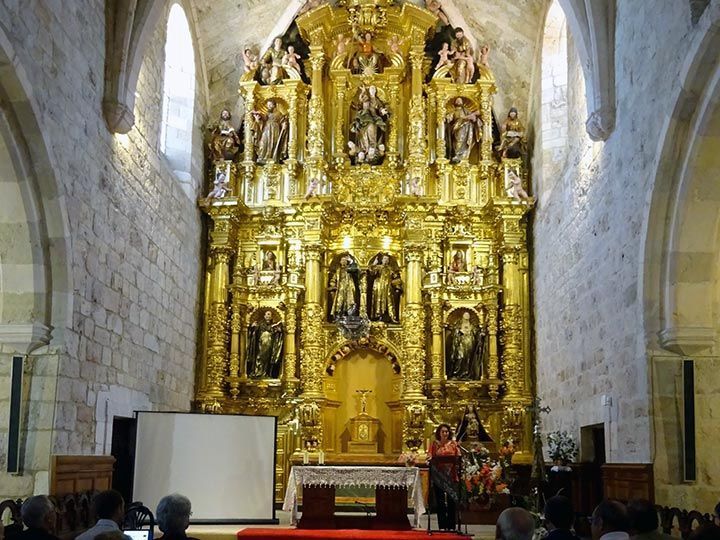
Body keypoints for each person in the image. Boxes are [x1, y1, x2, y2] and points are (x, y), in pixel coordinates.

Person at [429, 423, 460, 531]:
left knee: (452, 500)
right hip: (439, 475)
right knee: (440, 501)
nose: (445, 433)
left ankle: (451, 526)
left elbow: (458, 457)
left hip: (451, 475)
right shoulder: (435, 444)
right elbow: (431, 457)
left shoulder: (453, 444)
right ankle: (442, 526)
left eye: (446, 431)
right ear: (439, 433)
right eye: (443, 431)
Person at [247, 310, 284, 378]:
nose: (268, 316)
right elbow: (254, 332)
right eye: (267, 314)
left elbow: (277, 335)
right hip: (261, 345)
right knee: (260, 357)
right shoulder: (260, 324)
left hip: (269, 345)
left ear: (271, 316)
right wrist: (252, 327)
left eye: (269, 314)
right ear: (264, 316)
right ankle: (257, 373)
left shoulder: (273, 325)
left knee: (267, 359)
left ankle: (266, 373)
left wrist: (278, 331)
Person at [445, 97, 482, 163]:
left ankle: (464, 156)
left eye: (460, 100)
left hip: (467, 129)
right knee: (459, 140)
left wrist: (474, 119)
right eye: (457, 100)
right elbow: (448, 119)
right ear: (455, 103)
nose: (459, 102)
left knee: (466, 141)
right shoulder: (453, 112)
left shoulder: (466, 110)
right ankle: (457, 155)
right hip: (457, 128)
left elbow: (475, 117)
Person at [251, 99, 288, 164]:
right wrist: (257, 118)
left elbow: (283, 120)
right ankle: (262, 157)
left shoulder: (278, 113)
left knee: (274, 143)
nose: (269, 106)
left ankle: (273, 158)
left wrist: (284, 124)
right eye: (268, 105)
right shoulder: (266, 113)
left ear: (274, 105)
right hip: (266, 129)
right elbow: (262, 119)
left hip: (275, 130)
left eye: (270, 105)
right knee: (263, 142)